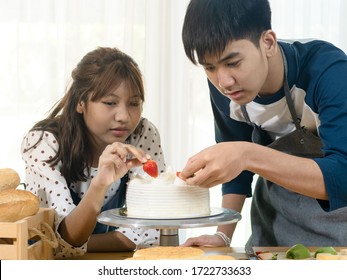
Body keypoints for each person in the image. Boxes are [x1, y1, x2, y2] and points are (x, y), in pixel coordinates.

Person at [180, 0, 347, 247]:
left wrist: (247, 154)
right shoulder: (226, 87)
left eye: (233, 63)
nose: (223, 81)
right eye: (209, 67)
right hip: (270, 236)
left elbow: (342, 177)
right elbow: (236, 173)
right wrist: (222, 236)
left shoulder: (329, 72)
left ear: (268, 42)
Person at [21, 47, 166, 258]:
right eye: (109, 103)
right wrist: (100, 184)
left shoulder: (142, 133)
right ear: (81, 102)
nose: (124, 116)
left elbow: (151, 233)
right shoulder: (44, 142)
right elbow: (61, 239)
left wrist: (69, 244)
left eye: (134, 103)